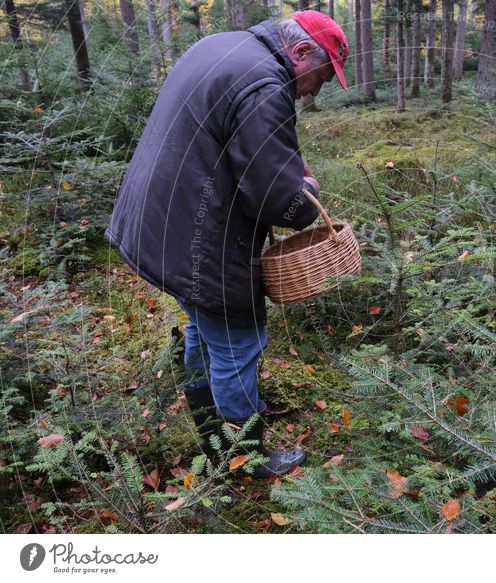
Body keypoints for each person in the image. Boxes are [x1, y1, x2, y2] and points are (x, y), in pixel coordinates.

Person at [104, 10, 349, 478]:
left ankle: (215, 442)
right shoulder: (264, 84)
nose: (313, 92)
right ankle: (245, 459)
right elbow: (276, 195)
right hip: (200, 242)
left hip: (157, 225)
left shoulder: (222, 46)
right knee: (239, 341)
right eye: (318, 79)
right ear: (299, 52)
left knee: (203, 329)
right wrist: (306, 196)